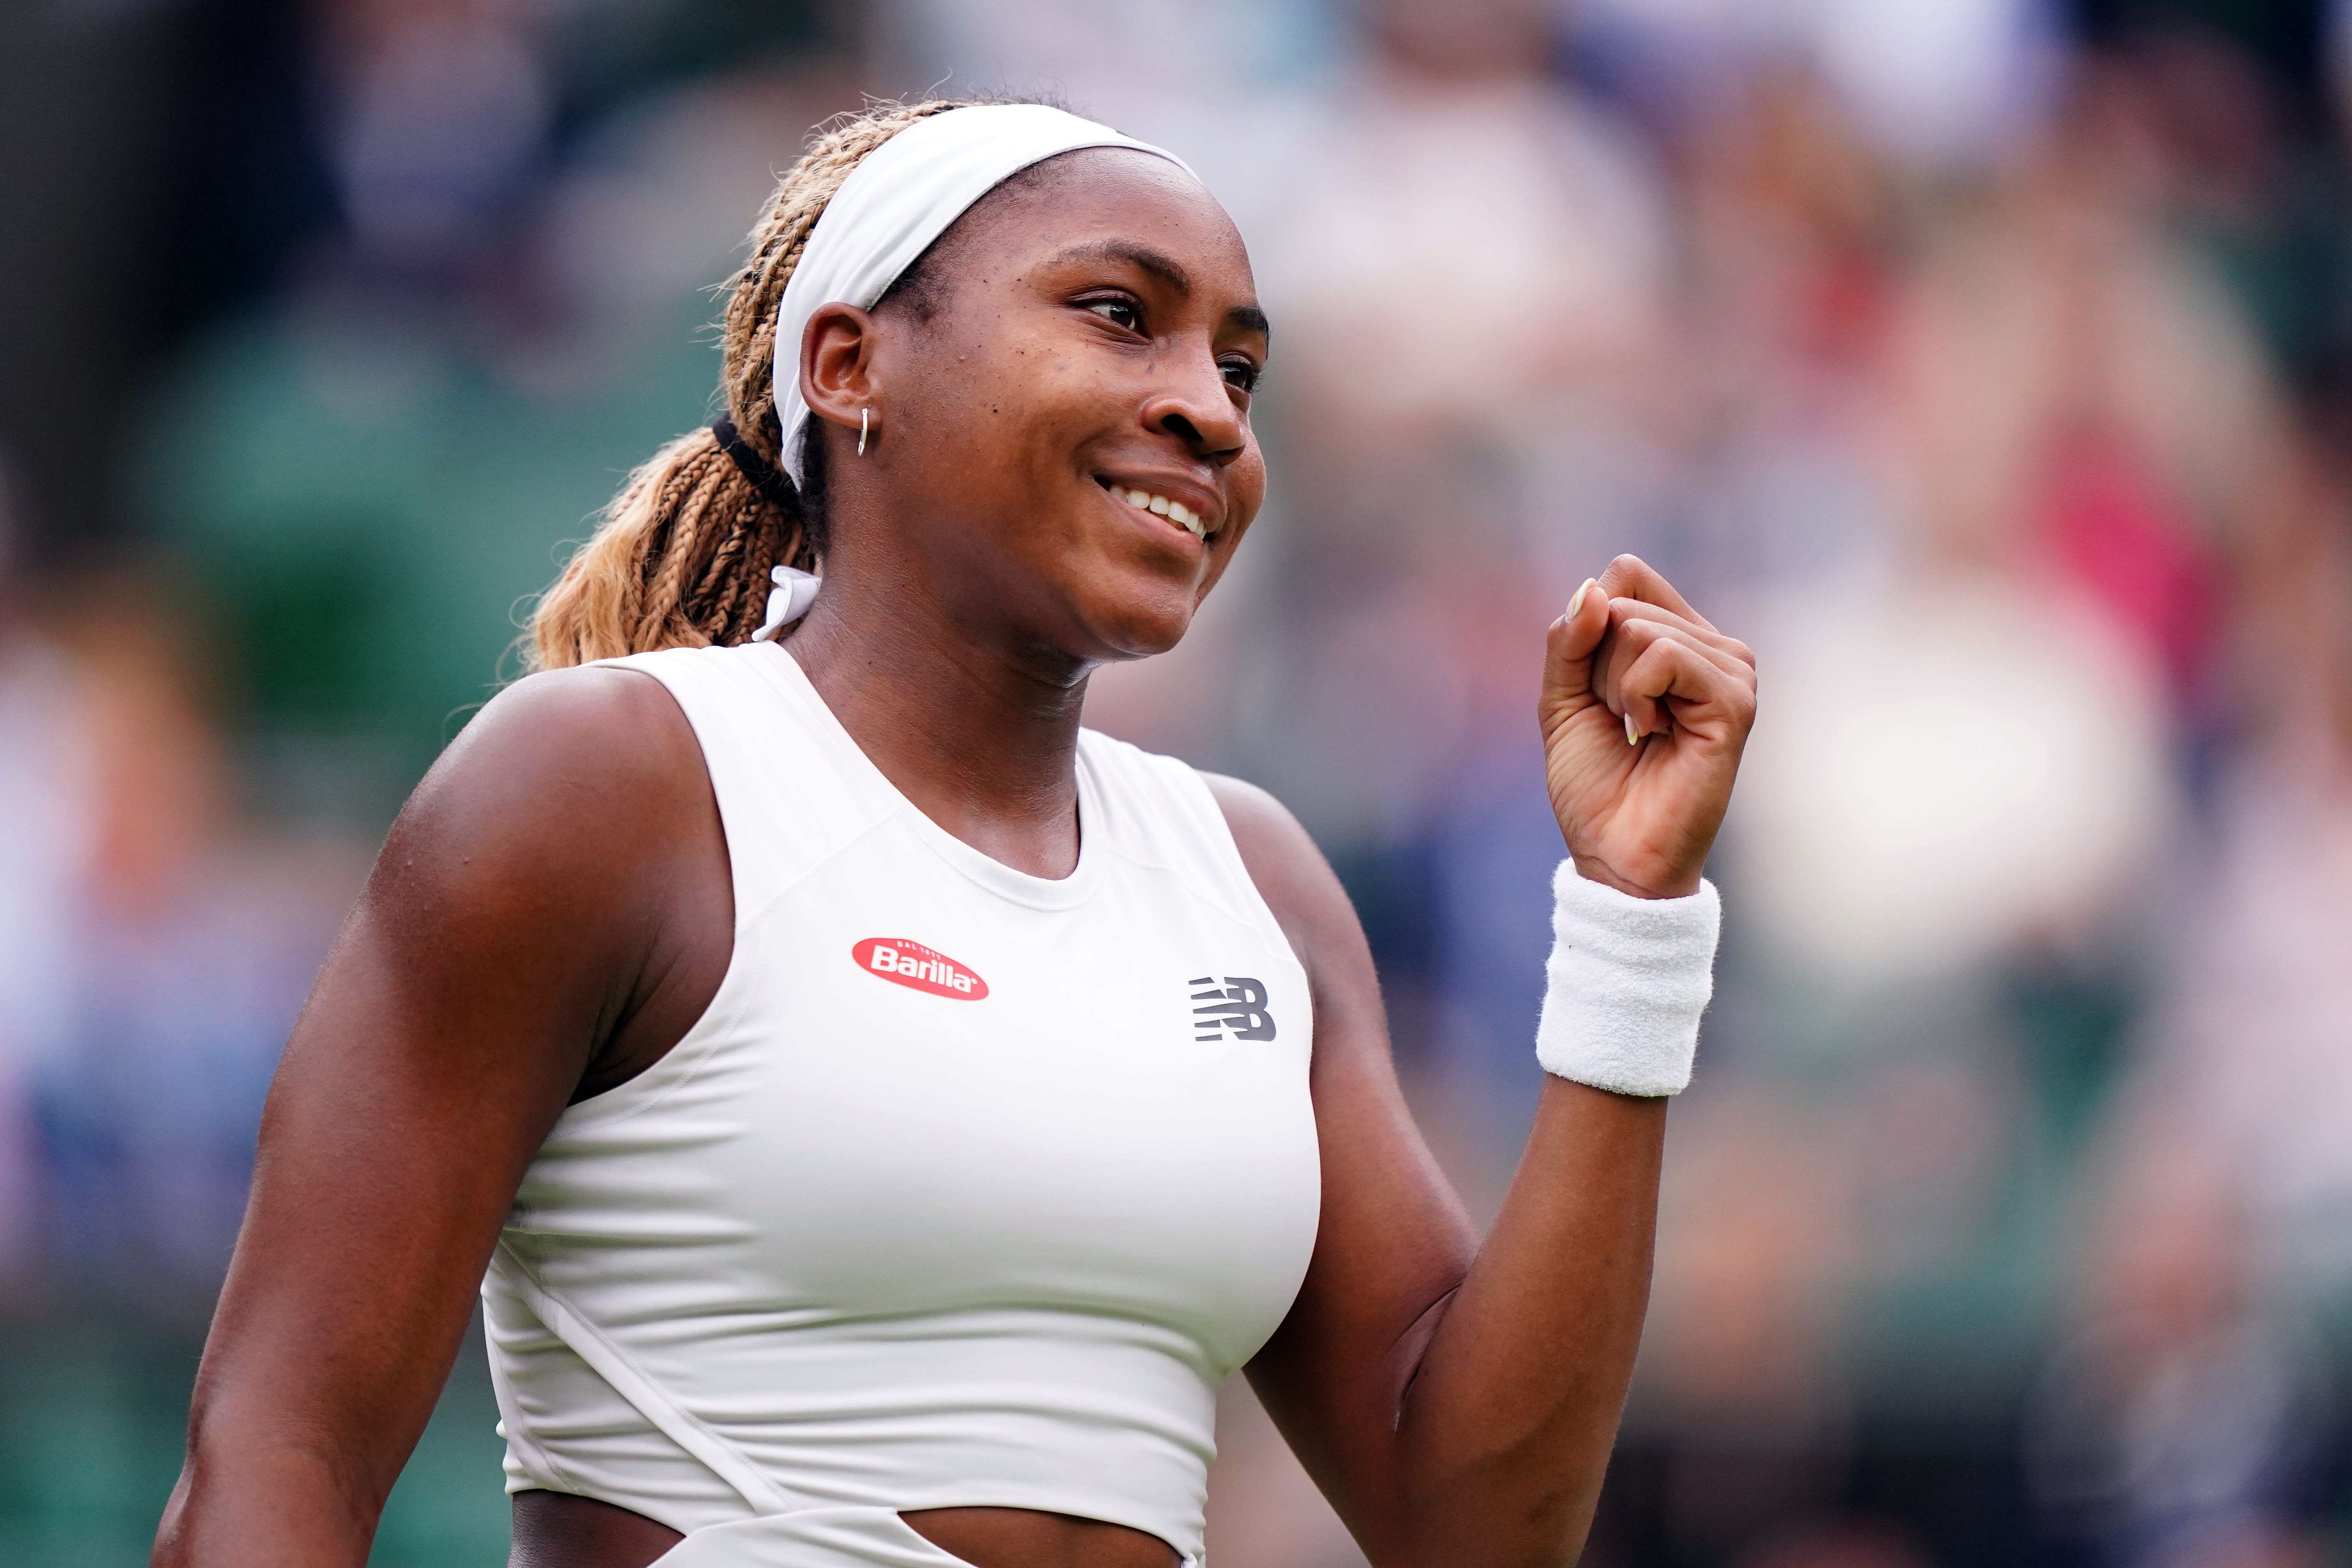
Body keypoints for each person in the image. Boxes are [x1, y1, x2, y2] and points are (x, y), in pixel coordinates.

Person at [151, 99, 1756, 1568]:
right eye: (1119, 315)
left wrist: (1632, 919)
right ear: (851, 365)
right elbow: (277, 1453)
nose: (1205, 411)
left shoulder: (1253, 875)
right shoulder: (607, 783)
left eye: (1240, 369)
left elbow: (1472, 1527)